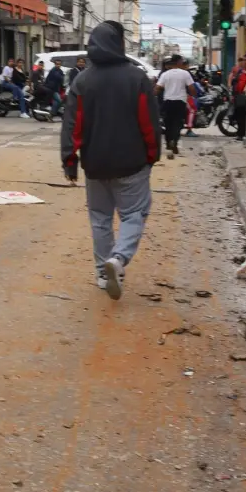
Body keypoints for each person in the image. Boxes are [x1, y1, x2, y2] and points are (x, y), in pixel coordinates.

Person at [62, 21, 161, 301]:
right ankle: (118, 259)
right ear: (119, 45)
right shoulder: (137, 77)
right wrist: (153, 155)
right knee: (134, 214)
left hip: (94, 165)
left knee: (100, 219)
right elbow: (148, 122)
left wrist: (69, 160)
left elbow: (72, 126)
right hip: (132, 164)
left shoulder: (82, 80)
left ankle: (102, 275)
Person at [155, 55, 194, 157]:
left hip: (168, 101)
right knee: (178, 123)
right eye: (181, 61)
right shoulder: (185, 74)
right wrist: (194, 94)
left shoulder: (165, 74)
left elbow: (158, 88)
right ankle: (174, 141)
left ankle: (169, 144)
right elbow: (191, 87)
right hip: (180, 102)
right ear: (178, 62)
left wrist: (152, 95)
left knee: (168, 124)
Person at [229, 56, 246, 139]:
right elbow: (233, 82)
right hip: (239, 97)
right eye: (244, 60)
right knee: (240, 116)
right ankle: (240, 134)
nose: (245, 62)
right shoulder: (239, 72)